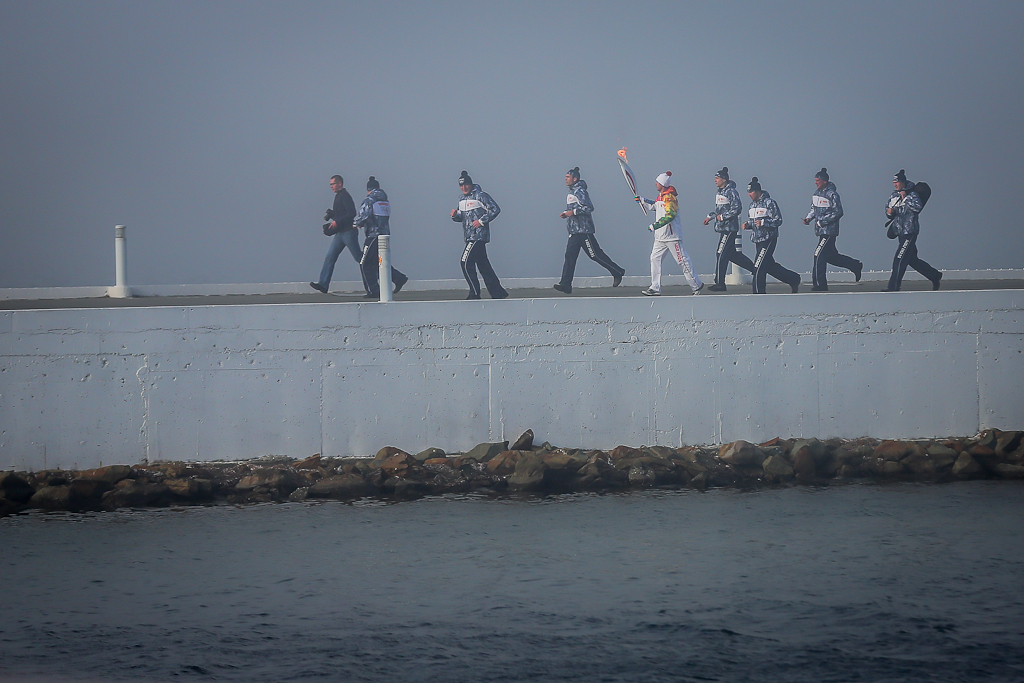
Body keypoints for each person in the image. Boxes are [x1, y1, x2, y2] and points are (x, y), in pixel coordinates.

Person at [553, 167, 625, 294]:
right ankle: (565, 284)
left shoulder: (580, 191)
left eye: (568, 177)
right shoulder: (571, 192)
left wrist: (573, 212)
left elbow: (588, 208)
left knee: (595, 254)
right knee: (569, 257)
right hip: (574, 232)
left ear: (575, 179)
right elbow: (574, 209)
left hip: (584, 231)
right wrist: (566, 213)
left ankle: (617, 271)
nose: (565, 179)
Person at [636, 171, 703, 296]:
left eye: (657, 182)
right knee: (654, 258)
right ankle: (655, 287)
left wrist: (655, 225)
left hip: (672, 236)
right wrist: (642, 200)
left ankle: (696, 285)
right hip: (660, 237)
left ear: (662, 183)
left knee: (682, 261)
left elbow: (670, 215)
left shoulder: (670, 197)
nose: (655, 184)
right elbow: (654, 207)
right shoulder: (660, 196)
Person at [450, 171, 508, 299]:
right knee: (483, 265)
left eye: (466, 185)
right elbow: (462, 217)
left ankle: (474, 293)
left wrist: (481, 221)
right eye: (461, 185)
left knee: (464, 262)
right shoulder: (461, 199)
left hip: (478, 236)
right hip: (468, 236)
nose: (464, 187)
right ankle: (498, 292)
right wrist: (455, 216)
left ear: (471, 184)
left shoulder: (481, 196)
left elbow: (495, 209)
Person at [802, 168, 862, 291]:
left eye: (817, 180)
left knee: (818, 255)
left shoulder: (832, 195)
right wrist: (808, 218)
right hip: (820, 231)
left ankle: (820, 285)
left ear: (824, 181)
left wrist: (823, 222)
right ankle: (855, 265)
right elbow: (814, 209)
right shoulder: (816, 194)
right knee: (830, 256)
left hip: (829, 231)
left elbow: (838, 212)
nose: (815, 183)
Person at [884, 169, 942, 291]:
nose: (895, 184)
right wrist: (889, 213)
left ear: (903, 182)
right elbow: (888, 210)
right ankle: (934, 275)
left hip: (909, 232)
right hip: (899, 231)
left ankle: (893, 287)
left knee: (899, 259)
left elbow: (917, 207)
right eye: (894, 182)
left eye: (897, 182)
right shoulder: (894, 195)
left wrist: (905, 198)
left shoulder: (912, 195)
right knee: (912, 259)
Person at [743, 177, 800, 294]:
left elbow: (778, 220)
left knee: (758, 266)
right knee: (770, 266)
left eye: (751, 192)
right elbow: (754, 222)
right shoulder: (752, 206)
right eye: (748, 192)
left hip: (769, 239)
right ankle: (793, 279)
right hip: (757, 240)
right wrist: (748, 225)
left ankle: (758, 293)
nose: (749, 195)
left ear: (758, 191)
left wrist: (764, 223)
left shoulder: (770, 203)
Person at [355, 176, 408, 298]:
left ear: (368, 189)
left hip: (373, 236)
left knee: (364, 263)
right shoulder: (385, 200)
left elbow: (364, 216)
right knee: (378, 262)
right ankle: (398, 278)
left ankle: (373, 290)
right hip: (385, 234)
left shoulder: (369, 200)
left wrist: (355, 224)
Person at [703, 167, 754, 291]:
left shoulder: (731, 191)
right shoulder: (719, 193)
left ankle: (720, 283)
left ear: (724, 179)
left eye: (717, 178)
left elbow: (737, 208)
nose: (715, 180)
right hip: (722, 228)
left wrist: (723, 217)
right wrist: (711, 217)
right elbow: (719, 210)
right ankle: (756, 269)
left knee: (720, 253)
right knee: (732, 256)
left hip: (729, 228)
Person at [310, 175, 363, 294]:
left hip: (348, 232)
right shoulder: (339, 196)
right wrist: (333, 215)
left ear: (340, 184)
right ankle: (323, 285)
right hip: (340, 233)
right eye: (330, 185)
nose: (331, 187)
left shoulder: (344, 196)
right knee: (330, 257)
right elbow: (343, 214)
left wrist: (337, 221)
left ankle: (387, 275)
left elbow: (352, 213)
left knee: (360, 258)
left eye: (333, 184)